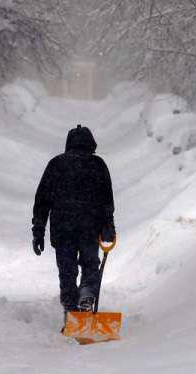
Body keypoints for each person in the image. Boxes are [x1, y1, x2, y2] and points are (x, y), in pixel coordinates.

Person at [31, 124, 116, 313]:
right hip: (89, 226)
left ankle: (70, 308)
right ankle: (86, 292)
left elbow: (42, 201)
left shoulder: (56, 164)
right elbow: (106, 201)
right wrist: (108, 226)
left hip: (63, 229)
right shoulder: (98, 165)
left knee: (67, 270)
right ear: (91, 144)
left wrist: (38, 230)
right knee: (90, 263)